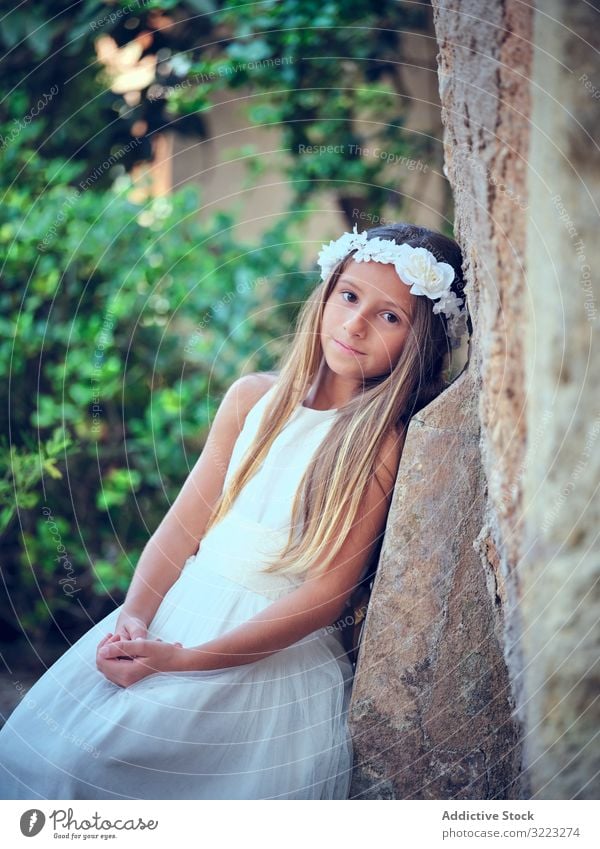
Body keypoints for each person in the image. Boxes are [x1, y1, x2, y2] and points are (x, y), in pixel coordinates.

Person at [0, 221, 468, 800]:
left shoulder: (382, 444)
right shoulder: (253, 398)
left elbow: (326, 595)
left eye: (390, 316)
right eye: (349, 296)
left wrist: (186, 661)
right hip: (178, 614)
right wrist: (136, 619)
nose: (356, 323)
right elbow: (182, 526)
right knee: (65, 766)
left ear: (419, 343)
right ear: (325, 295)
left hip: (265, 660)